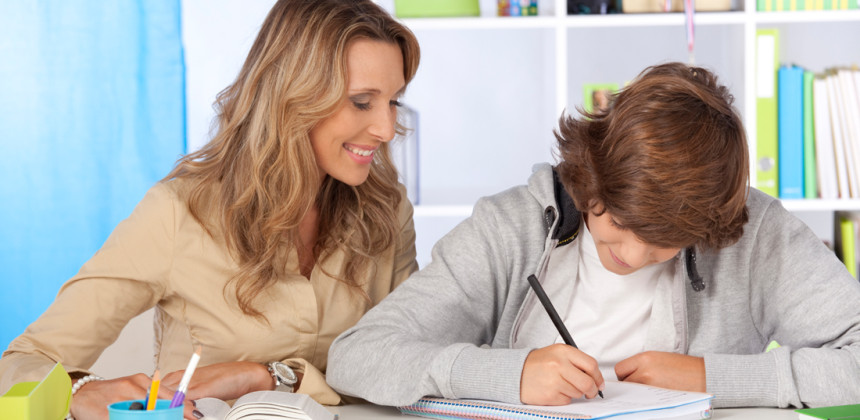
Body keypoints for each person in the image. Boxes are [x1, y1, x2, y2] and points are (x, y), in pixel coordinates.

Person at [327, 62, 860, 409]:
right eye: (619, 224)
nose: (628, 255)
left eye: (663, 242)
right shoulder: (511, 226)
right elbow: (359, 355)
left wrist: (708, 377)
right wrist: (506, 377)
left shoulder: (755, 230)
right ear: (588, 177)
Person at [0, 0, 420, 419]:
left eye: (394, 101)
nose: (386, 129)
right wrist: (82, 391)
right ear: (292, 95)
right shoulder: (180, 213)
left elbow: (413, 364)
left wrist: (268, 376)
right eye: (363, 102)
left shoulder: (386, 211)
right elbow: (23, 361)